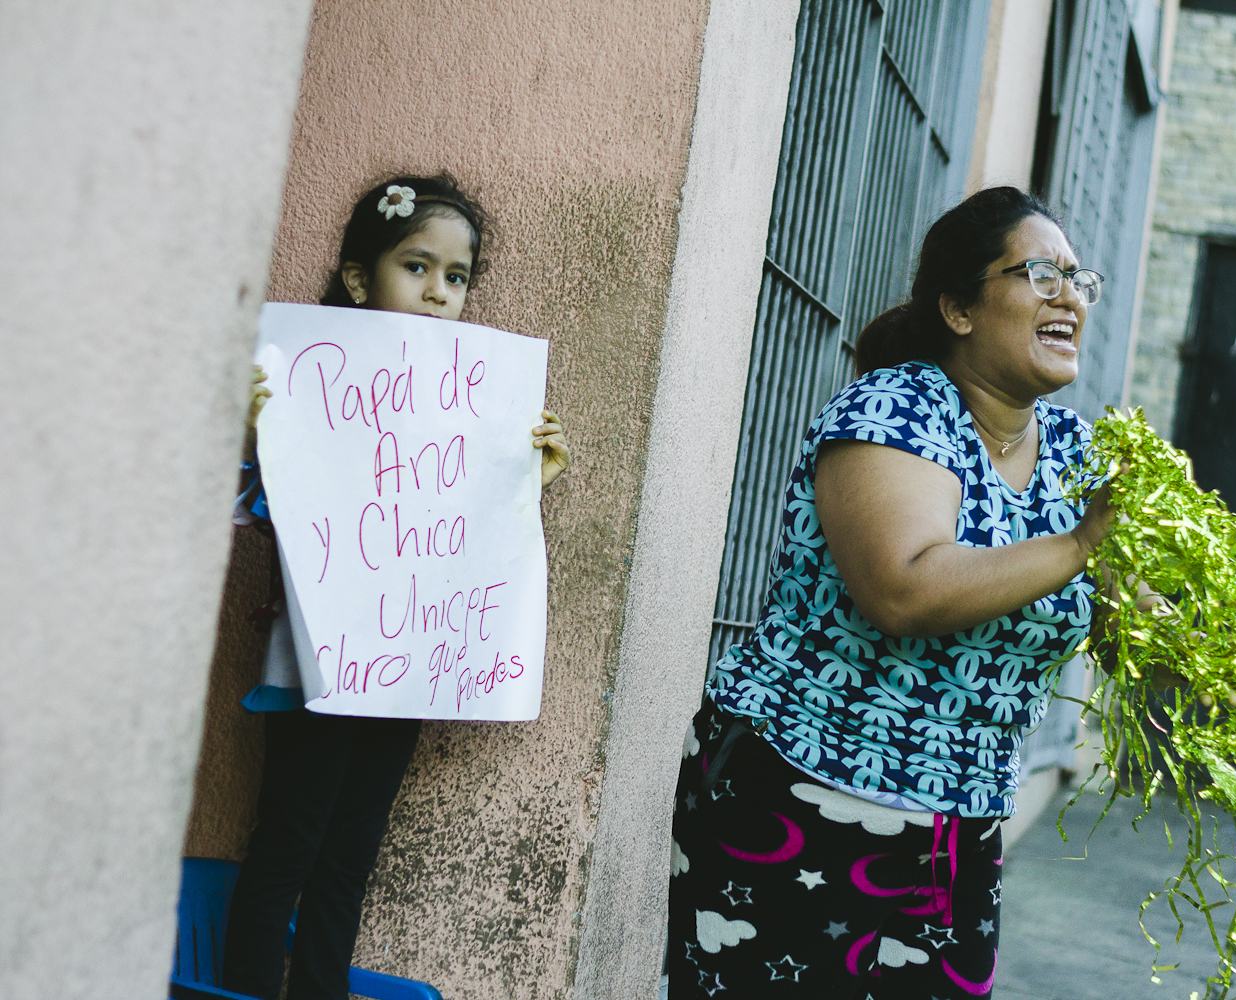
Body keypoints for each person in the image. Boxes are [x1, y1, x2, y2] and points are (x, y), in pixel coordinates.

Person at [668, 186, 1117, 998]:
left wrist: (1196, 629)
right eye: (1041, 273)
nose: (1068, 298)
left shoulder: (1080, 456)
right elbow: (904, 588)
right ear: (958, 307)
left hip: (959, 833)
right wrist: (1083, 544)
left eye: (1080, 282)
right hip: (804, 793)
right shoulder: (896, 410)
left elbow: (1114, 608)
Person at [220, 174, 570, 1000]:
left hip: (407, 664)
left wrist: (526, 476)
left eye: (457, 277)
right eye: (417, 267)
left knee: (351, 853)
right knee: (289, 843)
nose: (439, 293)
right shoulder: (306, 386)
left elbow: (465, 536)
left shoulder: (466, 402)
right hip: (317, 661)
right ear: (356, 279)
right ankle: (239, 992)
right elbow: (252, 512)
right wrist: (250, 434)